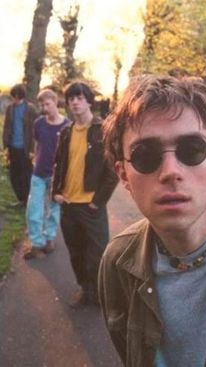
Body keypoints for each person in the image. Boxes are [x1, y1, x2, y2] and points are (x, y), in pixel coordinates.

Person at [98, 75, 206, 366]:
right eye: (145, 155)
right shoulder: (117, 263)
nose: (171, 171)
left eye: (192, 150)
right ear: (123, 175)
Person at [52, 81, 118, 306]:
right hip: (68, 204)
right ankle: (84, 289)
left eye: (79, 98)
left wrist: (97, 202)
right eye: (71, 99)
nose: (75, 102)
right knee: (76, 253)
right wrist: (55, 193)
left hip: (91, 206)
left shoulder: (102, 130)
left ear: (89, 101)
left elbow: (113, 171)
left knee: (98, 253)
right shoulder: (66, 132)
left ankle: (99, 293)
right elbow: (59, 165)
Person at [24, 89, 70, 260]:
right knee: (33, 210)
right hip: (38, 174)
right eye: (42, 105)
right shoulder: (38, 124)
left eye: (47, 104)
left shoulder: (67, 126)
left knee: (53, 209)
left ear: (55, 102)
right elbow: (37, 145)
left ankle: (49, 238)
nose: (44, 108)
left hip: (55, 176)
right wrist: (35, 159)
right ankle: (36, 243)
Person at [2, 83, 38, 206]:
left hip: (25, 148)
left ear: (19, 95)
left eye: (15, 96)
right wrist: (5, 144)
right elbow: (7, 126)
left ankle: (29, 200)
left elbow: (35, 129)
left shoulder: (31, 109)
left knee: (26, 175)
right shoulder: (10, 108)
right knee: (14, 175)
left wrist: (33, 149)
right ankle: (21, 199)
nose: (13, 99)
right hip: (13, 146)